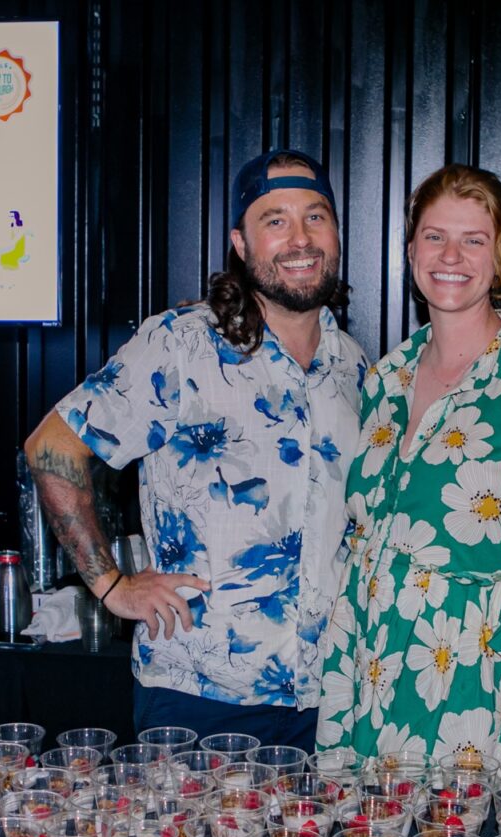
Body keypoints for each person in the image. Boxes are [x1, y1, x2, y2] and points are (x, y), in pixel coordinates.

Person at [25, 149, 367, 753]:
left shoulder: (357, 368)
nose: (299, 238)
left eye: (316, 217)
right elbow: (52, 446)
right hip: (200, 698)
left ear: (337, 234)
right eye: (275, 220)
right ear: (240, 242)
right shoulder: (180, 345)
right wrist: (111, 587)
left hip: (330, 704)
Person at [316, 163, 501, 767]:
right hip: (367, 678)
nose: (451, 255)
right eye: (435, 236)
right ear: (410, 250)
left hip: (477, 694)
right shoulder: (384, 380)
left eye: (474, 240)